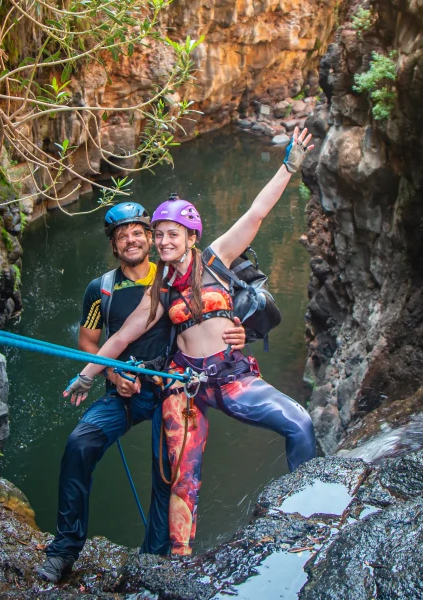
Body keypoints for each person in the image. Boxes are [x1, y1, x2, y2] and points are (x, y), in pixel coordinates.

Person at [64, 128, 318, 556]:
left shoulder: (217, 259)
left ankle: (309, 518)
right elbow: (123, 336)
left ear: (191, 235)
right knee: (182, 474)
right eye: (158, 234)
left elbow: (256, 214)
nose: (162, 241)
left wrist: (288, 167)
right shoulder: (160, 290)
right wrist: (86, 376)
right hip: (185, 385)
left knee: (300, 424)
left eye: (171, 234)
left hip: (232, 376)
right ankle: (179, 561)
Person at [38, 202, 246, 582]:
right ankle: (65, 548)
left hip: (170, 387)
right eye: (122, 236)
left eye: (137, 232)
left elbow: (211, 316)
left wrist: (237, 332)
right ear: (114, 246)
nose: (130, 240)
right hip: (125, 391)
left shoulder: (173, 279)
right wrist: (114, 376)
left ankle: (153, 560)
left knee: (166, 471)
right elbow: (88, 341)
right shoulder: (100, 290)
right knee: (79, 444)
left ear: (151, 238)